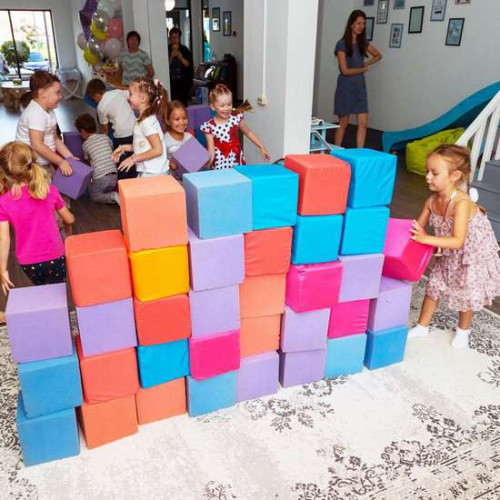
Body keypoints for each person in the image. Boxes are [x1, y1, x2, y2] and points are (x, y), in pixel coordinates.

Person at [409, 144, 500, 349]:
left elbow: (458, 240)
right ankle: (422, 326)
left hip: (472, 253)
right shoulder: (431, 201)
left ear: (454, 176)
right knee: (434, 285)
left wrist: (427, 239)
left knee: (466, 290)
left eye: (434, 173)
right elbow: (416, 229)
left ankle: (463, 331)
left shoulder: (462, 203)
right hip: (449, 249)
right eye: (427, 171)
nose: (427, 177)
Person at [0, 142, 74, 291]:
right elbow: (70, 219)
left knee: (41, 291)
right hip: (55, 255)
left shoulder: (4, 202)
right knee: (58, 291)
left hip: (28, 262)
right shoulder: (50, 190)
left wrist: (3, 270)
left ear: (5, 172)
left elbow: (4, 239)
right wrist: (60, 225)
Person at [334, 10, 382, 148]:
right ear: (351, 24)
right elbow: (345, 71)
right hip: (345, 87)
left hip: (359, 87)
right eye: (358, 23)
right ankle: (335, 152)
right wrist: (362, 69)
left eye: (363, 24)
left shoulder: (363, 43)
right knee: (343, 124)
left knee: (363, 123)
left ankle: (359, 152)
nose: (361, 26)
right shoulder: (342, 44)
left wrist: (366, 64)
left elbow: (378, 55)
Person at [15, 71, 74, 177]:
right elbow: (37, 145)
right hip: (32, 167)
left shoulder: (49, 112)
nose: (60, 96)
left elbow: (55, 139)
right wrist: (60, 161)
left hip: (44, 163)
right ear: (43, 93)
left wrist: (70, 158)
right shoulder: (35, 113)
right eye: (57, 93)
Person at [200, 84, 270, 169]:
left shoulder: (236, 118)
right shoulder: (209, 126)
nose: (226, 108)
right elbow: (211, 150)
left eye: (229, 104)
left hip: (236, 159)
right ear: (213, 106)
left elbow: (248, 132)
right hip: (220, 163)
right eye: (222, 106)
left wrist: (261, 146)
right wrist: (208, 164)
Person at [111, 77, 169, 178]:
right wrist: (124, 147)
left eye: (131, 94)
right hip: (151, 171)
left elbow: (158, 150)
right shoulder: (143, 120)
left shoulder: (147, 122)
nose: (128, 97)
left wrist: (132, 159)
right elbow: (144, 145)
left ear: (143, 98)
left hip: (154, 172)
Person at [85, 78, 137, 180]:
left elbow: (105, 129)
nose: (95, 101)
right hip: (135, 129)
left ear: (96, 96)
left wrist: (103, 144)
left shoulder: (100, 107)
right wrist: (117, 87)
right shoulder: (118, 92)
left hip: (120, 136)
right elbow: (131, 92)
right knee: (134, 157)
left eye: (94, 99)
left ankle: (123, 182)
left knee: (120, 161)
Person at [74, 114, 119, 205]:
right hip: (114, 176)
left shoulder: (85, 145)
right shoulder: (105, 137)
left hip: (101, 178)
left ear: (82, 131)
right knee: (102, 187)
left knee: (94, 196)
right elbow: (112, 151)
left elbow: (88, 164)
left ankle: (112, 196)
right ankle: (109, 193)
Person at [164, 100, 193, 178]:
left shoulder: (189, 137)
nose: (182, 122)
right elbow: (159, 161)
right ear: (168, 120)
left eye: (184, 118)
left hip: (189, 178)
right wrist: (169, 163)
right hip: (170, 179)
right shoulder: (164, 140)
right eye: (177, 119)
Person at [168, 27, 194, 105]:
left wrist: (180, 57)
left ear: (179, 38)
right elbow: (165, 67)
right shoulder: (166, 49)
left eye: (177, 37)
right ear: (170, 38)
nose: (174, 40)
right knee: (172, 104)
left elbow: (188, 65)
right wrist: (171, 57)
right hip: (171, 82)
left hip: (183, 82)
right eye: (173, 37)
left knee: (183, 104)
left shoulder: (184, 49)